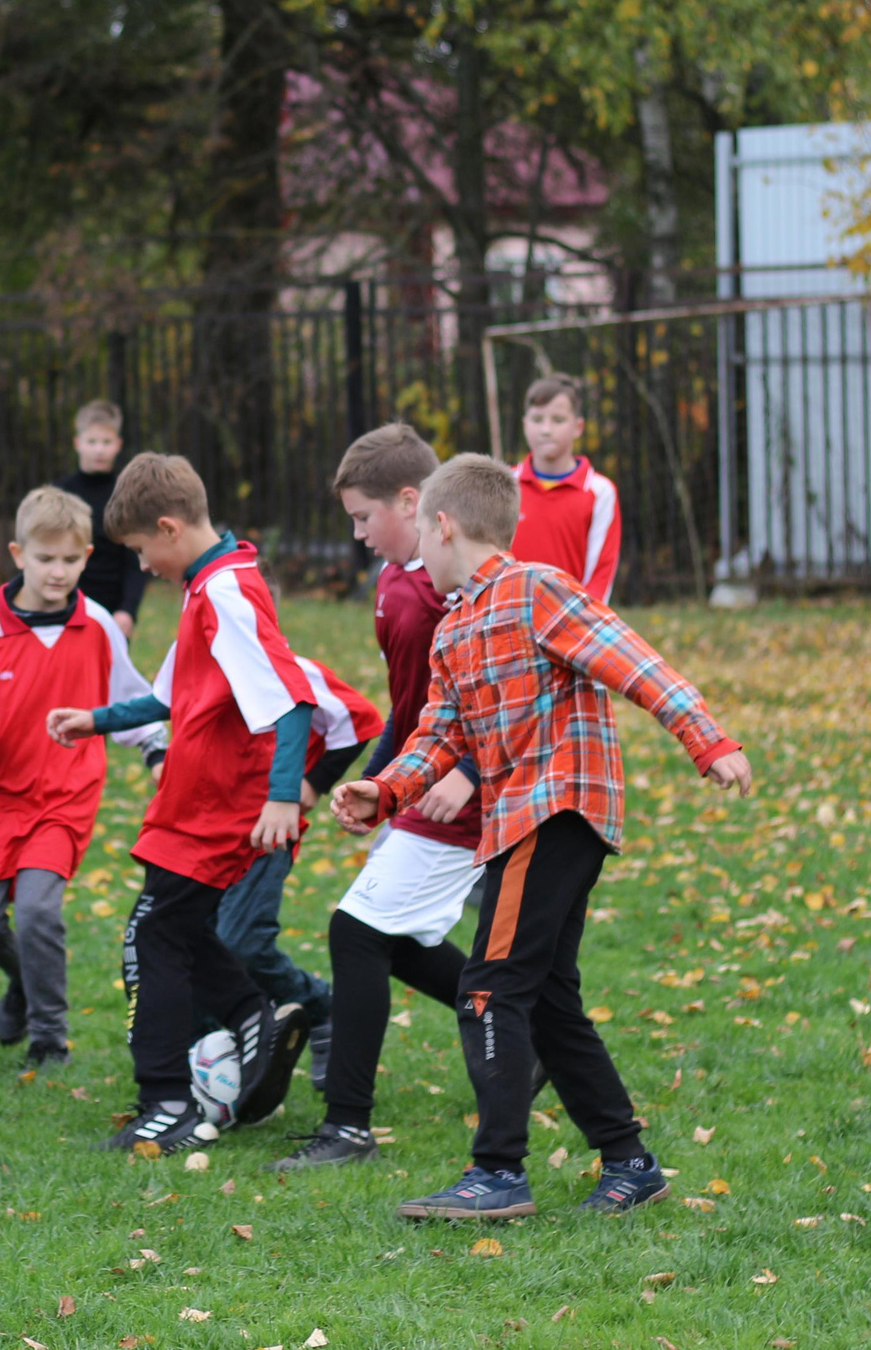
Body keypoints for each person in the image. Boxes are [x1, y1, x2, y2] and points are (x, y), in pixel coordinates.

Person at [333, 454, 752, 1220]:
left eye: (419, 529)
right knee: (549, 999)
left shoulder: (538, 589)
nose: (413, 546)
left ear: (443, 523)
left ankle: (497, 1172)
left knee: (489, 988)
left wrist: (707, 738)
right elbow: (439, 733)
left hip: (557, 809)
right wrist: (385, 788)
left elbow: (633, 660)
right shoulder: (456, 623)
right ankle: (630, 1163)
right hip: (517, 822)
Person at [271, 423, 529, 1172]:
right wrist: (381, 787)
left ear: (413, 503)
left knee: (356, 932)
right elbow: (414, 707)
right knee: (396, 937)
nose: (356, 534)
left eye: (363, 516)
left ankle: (348, 1125)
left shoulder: (457, 587)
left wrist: (469, 774)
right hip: (424, 783)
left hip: (467, 796)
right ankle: (529, 1038)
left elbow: (502, 694)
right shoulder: (395, 582)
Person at [46, 453, 316, 1153]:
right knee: (180, 926)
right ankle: (252, 1017)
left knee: (151, 934)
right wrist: (95, 719)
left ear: (167, 528)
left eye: (140, 550)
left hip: (221, 801)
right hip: (194, 798)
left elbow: (290, 698)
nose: (145, 566)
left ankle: (165, 1099)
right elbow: (171, 695)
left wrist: (283, 796)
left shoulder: (228, 591)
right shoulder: (208, 587)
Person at [0, 486, 165, 1071]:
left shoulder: (100, 629)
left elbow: (132, 702)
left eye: (69, 560)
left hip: (64, 794)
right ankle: (21, 980)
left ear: (86, 556)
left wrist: (156, 753)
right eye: (44, 559)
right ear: (18, 554)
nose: (57, 571)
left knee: (37, 911)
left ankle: (49, 1036)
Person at [196, 651, 379, 1126]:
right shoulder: (198, 664)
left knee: (241, 942)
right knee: (196, 944)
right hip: (203, 829)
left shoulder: (292, 669)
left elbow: (362, 719)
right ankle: (225, 1059)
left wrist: (312, 784)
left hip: (265, 833)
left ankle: (320, 1005)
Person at [509, 375, 620, 603]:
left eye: (558, 420)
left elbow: (601, 572)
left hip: (571, 628)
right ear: (525, 425)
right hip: (508, 622)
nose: (546, 430)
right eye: (537, 419)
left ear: (578, 427)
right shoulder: (504, 484)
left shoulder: (600, 492)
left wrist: (581, 623)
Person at [54, 400, 147, 635]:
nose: (99, 449)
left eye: (106, 442)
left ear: (118, 444)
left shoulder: (127, 494)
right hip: (67, 604)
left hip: (114, 610)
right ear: (78, 443)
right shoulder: (60, 494)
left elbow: (136, 558)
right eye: (92, 441)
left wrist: (128, 609)